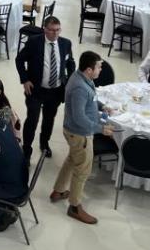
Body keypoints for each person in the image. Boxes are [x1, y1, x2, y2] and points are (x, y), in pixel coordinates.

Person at [50, 51, 113, 225]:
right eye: (99, 67)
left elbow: (90, 100)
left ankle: (58, 191)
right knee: (82, 170)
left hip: (76, 131)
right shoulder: (79, 87)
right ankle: (75, 206)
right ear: (89, 69)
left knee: (72, 160)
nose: (101, 69)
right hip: (79, 133)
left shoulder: (83, 78)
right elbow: (79, 118)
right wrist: (100, 129)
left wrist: (102, 106)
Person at [17, 15, 76, 160]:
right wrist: (25, 80)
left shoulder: (65, 44)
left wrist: (68, 80)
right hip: (35, 90)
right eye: (51, 30)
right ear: (45, 30)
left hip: (55, 91)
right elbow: (19, 59)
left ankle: (44, 144)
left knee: (49, 119)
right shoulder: (34, 42)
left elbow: (70, 63)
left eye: (58, 30)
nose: (55, 33)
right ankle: (26, 149)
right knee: (32, 120)